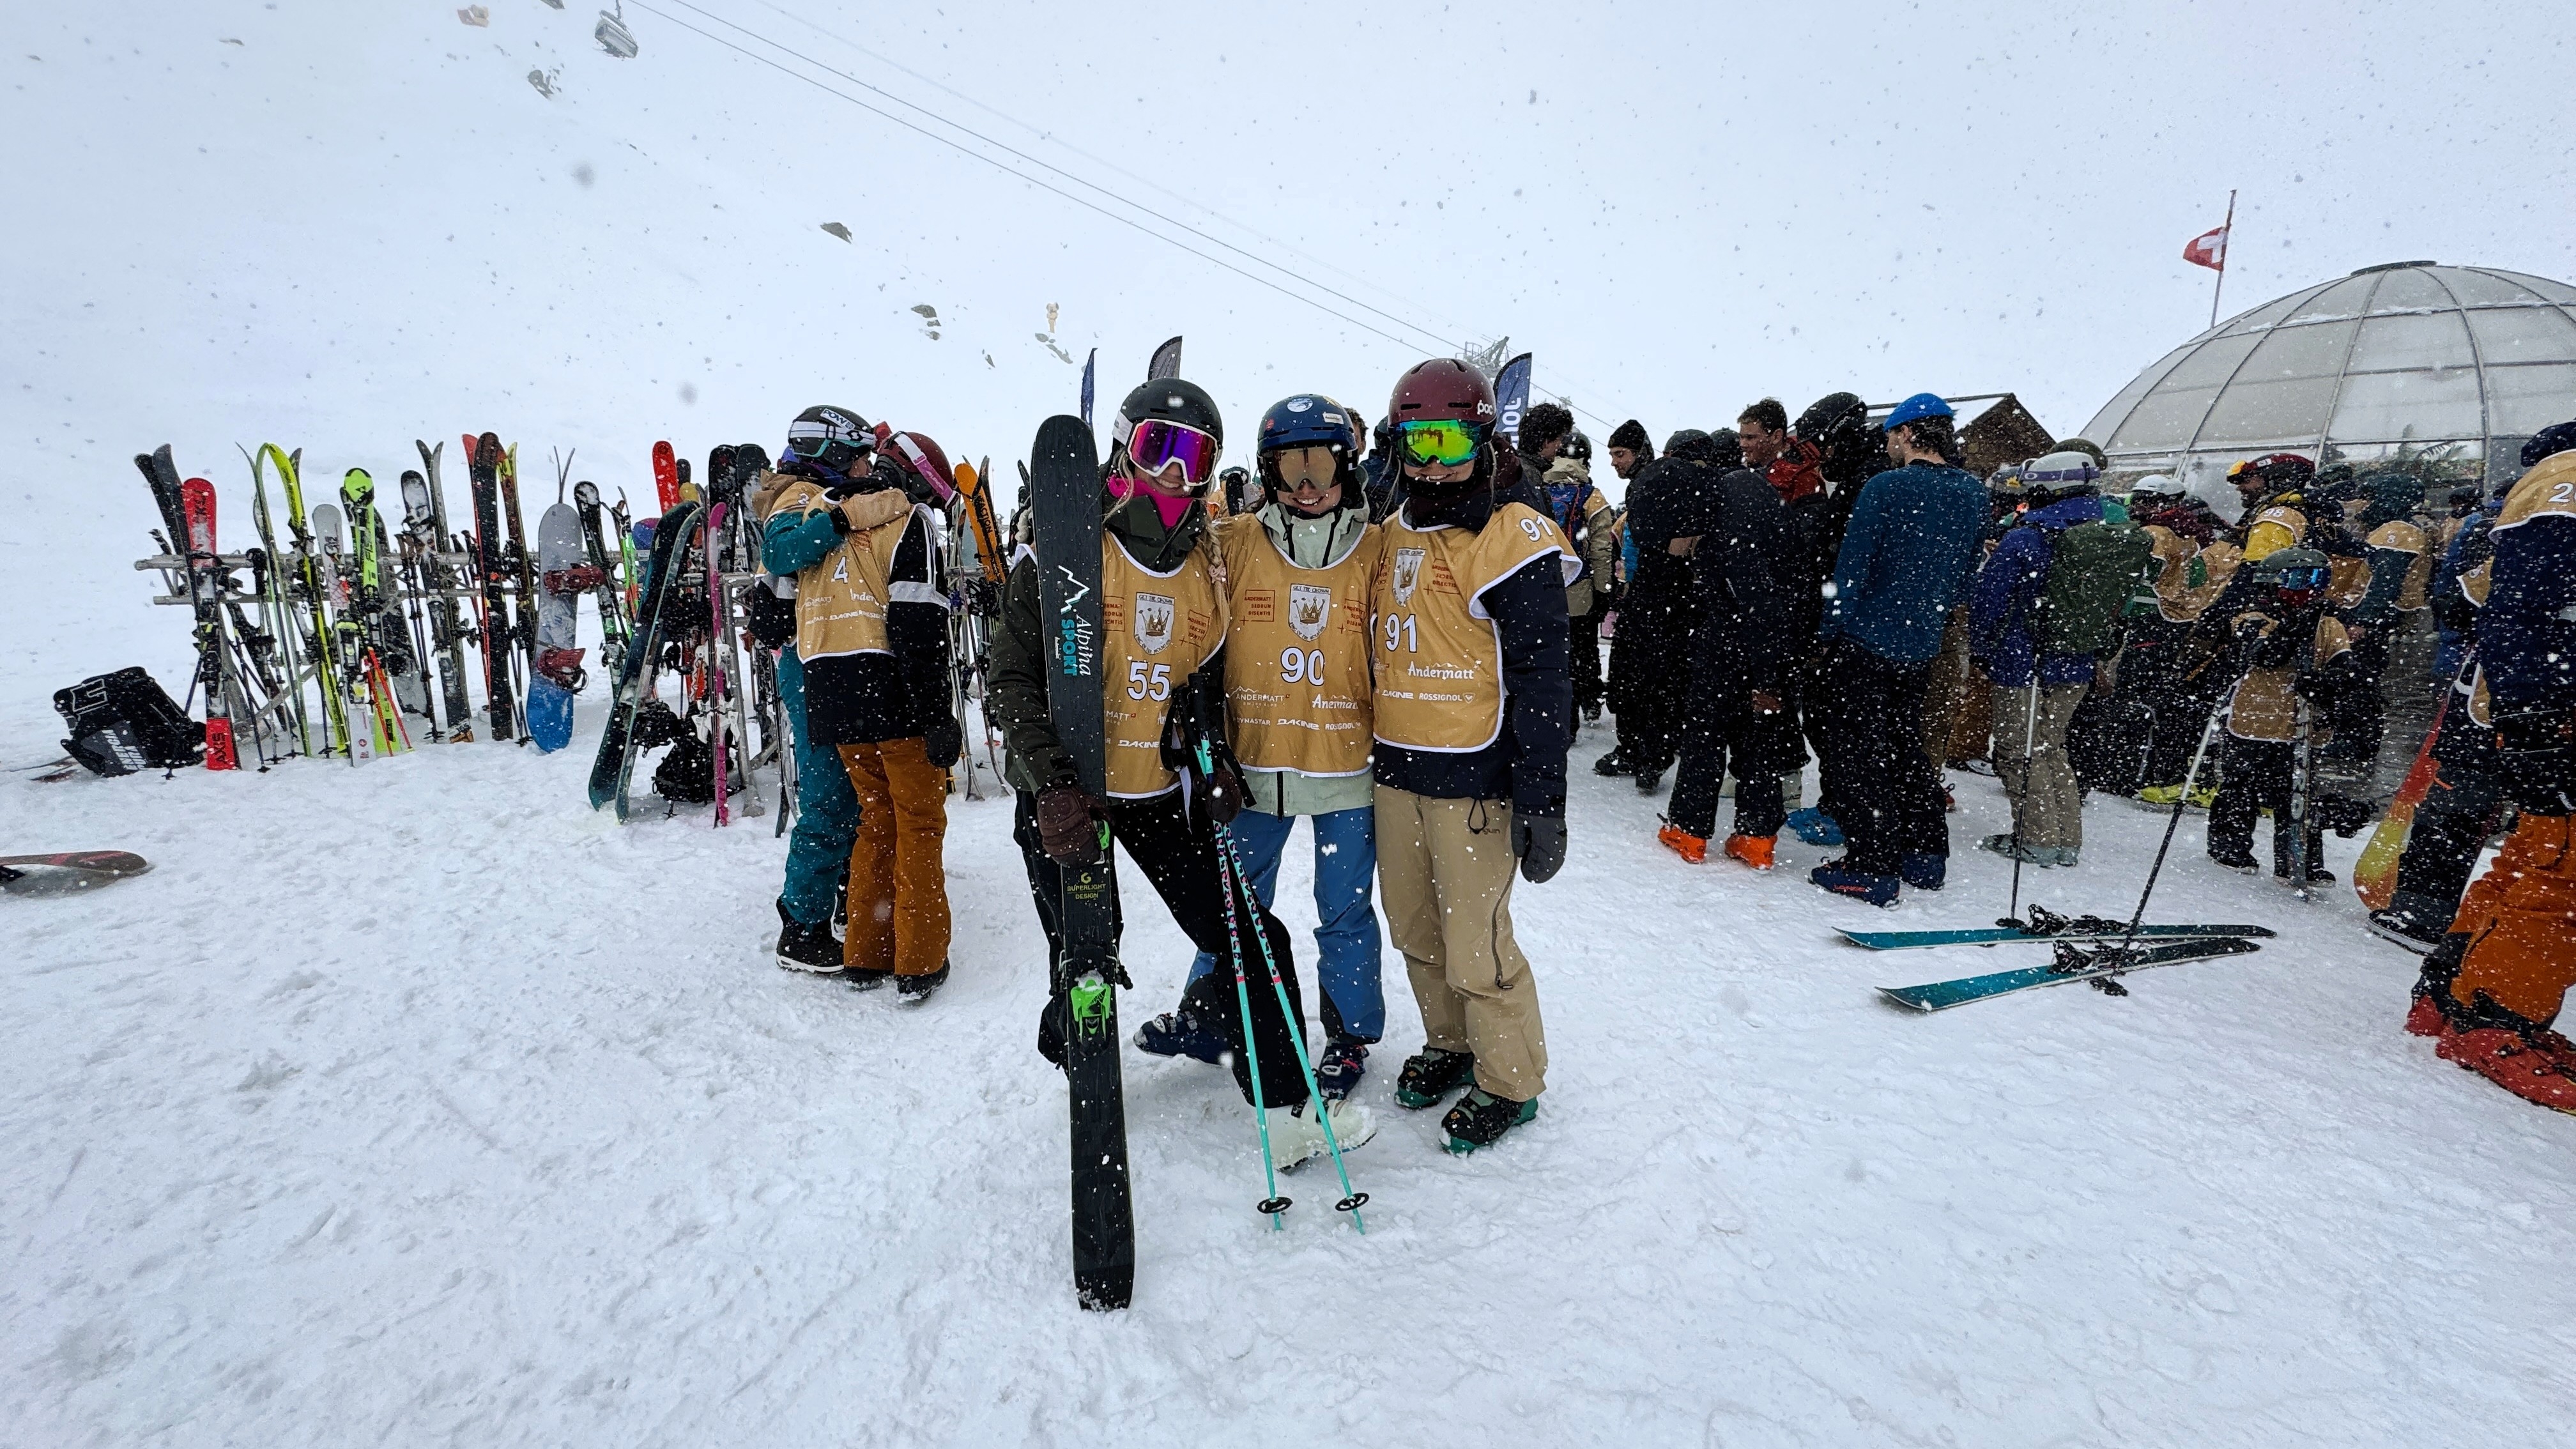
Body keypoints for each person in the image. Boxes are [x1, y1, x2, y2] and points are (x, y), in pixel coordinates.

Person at [986, 378, 1368, 1162]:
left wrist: (1216, 753)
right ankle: (1081, 1063)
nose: (1173, 471)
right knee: (1091, 950)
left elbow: (1201, 682)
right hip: (1074, 795)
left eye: (1193, 455)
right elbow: (1012, 677)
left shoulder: (1208, 568)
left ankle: (1290, 1106)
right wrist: (1050, 783)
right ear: (1126, 445)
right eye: (1159, 445)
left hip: (1159, 796)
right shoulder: (1071, 547)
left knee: (1254, 937)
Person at [1131, 394, 1390, 1103]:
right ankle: (1210, 1015)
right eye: (1288, 468)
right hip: (1251, 766)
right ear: (1268, 472)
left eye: (1321, 464)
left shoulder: (1378, 547)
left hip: (1345, 763)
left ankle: (1349, 1033)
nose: (1307, 486)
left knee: (1343, 910)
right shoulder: (1235, 541)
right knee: (1234, 906)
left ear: (1348, 464)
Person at [1372, 357, 1573, 1153]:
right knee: (1416, 930)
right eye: (1417, 443)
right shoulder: (1390, 536)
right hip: (1397, 772)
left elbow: (1544, 678)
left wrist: (1544, 798)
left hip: (1474, 781)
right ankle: (1451, 1044)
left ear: (1484, 436)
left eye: (1451, 440)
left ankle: (1510, 1079)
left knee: (1477, 944)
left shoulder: (1511, 535)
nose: (1433, 463)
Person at [2404, 438, 2576, 1111]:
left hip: (2544, 698)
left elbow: (2491, 598)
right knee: (2560, 874)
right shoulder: (2566, 488)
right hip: (2558, 705)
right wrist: (2532, 712)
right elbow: (2524, 605)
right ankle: (2497, 1017)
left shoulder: (2551, 484)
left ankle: (2453, 992)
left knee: (2536, 858)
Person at [765, 422, 962, 996]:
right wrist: (936, 716)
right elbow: (916, 625)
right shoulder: (908, 522)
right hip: (892, 692)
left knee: (874, 821)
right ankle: (920, 961)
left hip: (830, 694)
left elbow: (776, 614)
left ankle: (866, 952)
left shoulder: (815, 520)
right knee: (919, 824)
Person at [1804, 393, 1987, 906]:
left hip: (1866, 639)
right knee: (1906, 745)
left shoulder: (1886, 487)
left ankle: (1871, 865)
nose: (1886, 444)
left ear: (1907, 434)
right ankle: (1925, 854)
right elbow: (1966, 573)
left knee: (1860, 755)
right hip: (1921, 643)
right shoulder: (1974, 493)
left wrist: (1828, 631)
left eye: (1890, 435)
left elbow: (1852, 569)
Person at [758, 405, 901, 976]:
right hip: (809, 656)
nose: (865, 463)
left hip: (827, 651)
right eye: (859, 452)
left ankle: (842, 893)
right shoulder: (796, 495)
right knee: (830, 784)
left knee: (851, 775)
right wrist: (841, 520)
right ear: (830, 449)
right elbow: (782, 551)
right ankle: (803, 925)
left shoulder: (814, 489)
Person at [1966, 450, 2146, 868]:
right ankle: (2067, 840)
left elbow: (1990, 602)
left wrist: (1981, 650)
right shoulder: (2105, 536)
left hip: (2023, 662)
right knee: (2051, 748)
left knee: (2017, 751)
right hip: (2077, 662)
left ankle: (2037, 839)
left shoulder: (2028, 537)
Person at [1656, 430, 1797, 870]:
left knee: (1705, 732)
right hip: (1773, 634)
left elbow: (1735, 574)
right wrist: (1771, 666)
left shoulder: (1722, 498)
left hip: (1726, 635)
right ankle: (1757, 837)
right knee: (1759, 733)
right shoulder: (1768, 498)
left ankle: (1690, 830)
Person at [2204, 548, 2348, 882]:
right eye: (2301, 581)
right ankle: (2229, 845)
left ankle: (2299, 859)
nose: (2311, 591)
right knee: (2241, 785)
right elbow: (2267, 655)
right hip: (2254, 720)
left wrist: (2326, 684)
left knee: (2297, 793)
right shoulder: (2253, 618)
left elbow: (2345, 667)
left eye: (2318, 581)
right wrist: (2299, 624)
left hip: (2299, 723)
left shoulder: (2328, 626)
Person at [1783, 391, 1885, 848]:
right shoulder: (1864, 472)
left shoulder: (1869, 476)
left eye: (1816, 447)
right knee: (1835, 721)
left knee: (1839, 723)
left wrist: (1827, 627)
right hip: (1854, 617)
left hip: (1852, 622)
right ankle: (1840, 805)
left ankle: (1847, 812)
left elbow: (1848, 556)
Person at [1599, 429, 1708, 792]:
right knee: (1661, 676)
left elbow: (1644, 539)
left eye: (1620, 454)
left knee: (1640, 674)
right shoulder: (1696, 483)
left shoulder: (1653, 482)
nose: (1615, 462)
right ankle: (1651, 753)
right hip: (1672, 593)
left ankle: (1640, 751)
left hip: (1652, 589)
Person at [1541, 440, 1618, 729]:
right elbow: (1601, 551)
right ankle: (1582, 706)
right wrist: (1603, 591)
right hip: (1579, 589)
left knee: (1550, 650)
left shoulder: (1540, 489)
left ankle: (1554, 714)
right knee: (1581, 650)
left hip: (1542, 586)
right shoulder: (1592, 497)